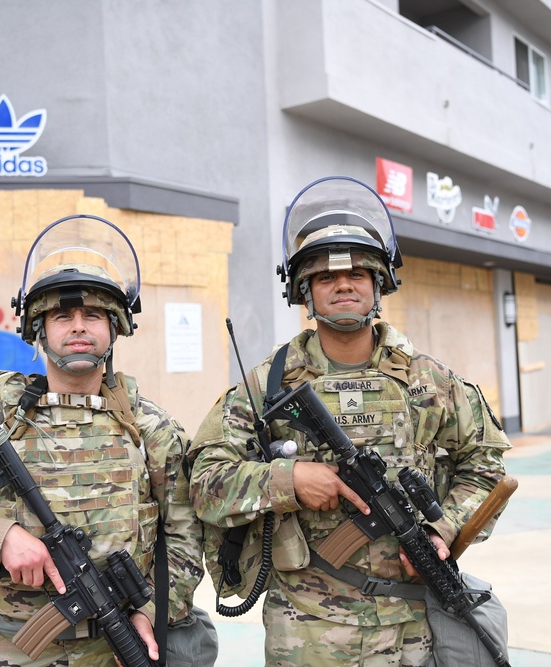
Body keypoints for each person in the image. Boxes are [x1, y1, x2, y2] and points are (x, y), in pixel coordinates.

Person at [189, 177, 511, 666]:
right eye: (325, 277)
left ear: (379, 285)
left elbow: (486, 463)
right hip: (306, 632)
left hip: (411, 629)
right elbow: (205, 480)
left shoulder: (430, 382)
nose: (344, 284)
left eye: (359, 274)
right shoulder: (266, 386)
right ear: (304, 291)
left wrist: (442, 528)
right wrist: (288, 479)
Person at [0, 214, 217, 667]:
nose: (78, 326)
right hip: (15, 646)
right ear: (39, 330)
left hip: (122, 643)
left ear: (115, 329)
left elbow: (185, 535)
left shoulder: (150, 428)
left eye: (93, 315)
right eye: (62, 316)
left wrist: (151, 611)